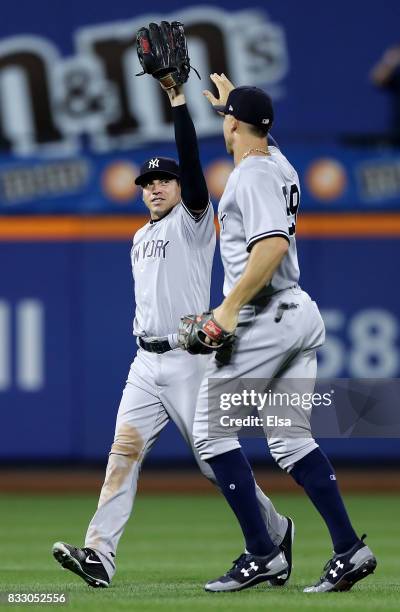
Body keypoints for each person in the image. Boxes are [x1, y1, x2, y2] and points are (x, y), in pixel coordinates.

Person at [51, 81, 291, 588]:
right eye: (148, 182)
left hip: (191, 360)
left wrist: (179, 103)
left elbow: (190, 160)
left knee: (213, 464)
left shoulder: (194, 221)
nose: (155, 187)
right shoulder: (138, 237)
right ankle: (99, 555)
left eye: (165, 181)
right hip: (145, 363)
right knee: (123, 453)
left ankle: (274, 530)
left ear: (182, 188)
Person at [190, 74, 377, 593]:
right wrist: (235, 104)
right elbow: (259, 133)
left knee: (210, 433)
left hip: (265, 317)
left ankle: (263, 552)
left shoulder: (249, 175)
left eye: (228, 121)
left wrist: (225, 310)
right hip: (296, 315)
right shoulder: (279, 162)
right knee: (291, 440)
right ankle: (349, 549)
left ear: (233, 126)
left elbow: (269, 248)